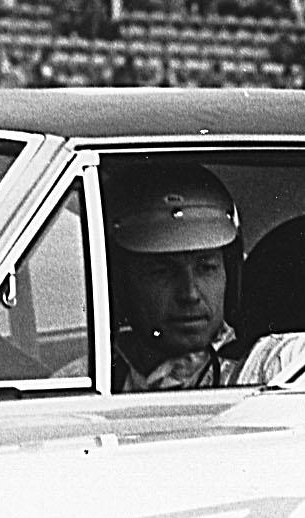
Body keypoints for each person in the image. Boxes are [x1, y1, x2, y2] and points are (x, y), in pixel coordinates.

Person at [105, 160, 245, 390]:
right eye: (161, 272)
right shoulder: (83, 380)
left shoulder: (271, 364)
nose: (190, 294)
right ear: (120, 285)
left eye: (206, 268)